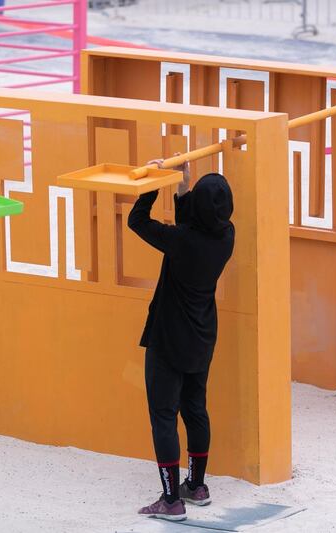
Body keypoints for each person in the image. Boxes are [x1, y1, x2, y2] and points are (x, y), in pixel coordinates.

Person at [128, 157, 235, 522]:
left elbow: (136, 221)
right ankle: (197, 486)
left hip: (169, 339)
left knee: (163, 416)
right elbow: (196, 220)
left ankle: (171, 499)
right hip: (202, 336)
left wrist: (153, 183)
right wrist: (183, 185)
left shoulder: (181, 241)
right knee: (195, 409)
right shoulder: (226, 235)